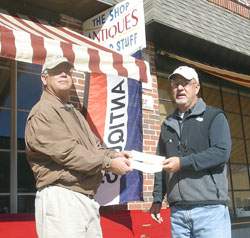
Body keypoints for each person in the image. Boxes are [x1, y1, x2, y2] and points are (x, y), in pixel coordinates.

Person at [25, 56, 133, 238]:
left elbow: (94, 148)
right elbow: (69, 153)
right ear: (44, 78)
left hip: (85, 198)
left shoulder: (73, 112)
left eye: (67, 71)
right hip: (62, 198)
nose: (63, 74)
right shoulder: (43, 112)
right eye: (56, 71)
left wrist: (114, 155)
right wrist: (108, 163)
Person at [150, 66, 232, 237]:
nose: (180, 88)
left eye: (186, 83)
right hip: (178, 213)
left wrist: (182, 163)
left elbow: (221, 152)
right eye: (175, 84)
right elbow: (160, 164)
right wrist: (157, 199)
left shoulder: (214, 117)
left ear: (197, 87)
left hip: (210, 210)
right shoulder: (167, 125)